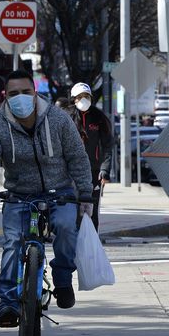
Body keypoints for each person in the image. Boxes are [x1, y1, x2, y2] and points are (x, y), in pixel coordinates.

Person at [0, 70, 94, 328]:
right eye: (13, 93)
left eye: (25, 92)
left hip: (59, 191)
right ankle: (7, 304)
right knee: (13, 243)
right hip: (19, 194)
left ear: (35, 92)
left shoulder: (58, 119)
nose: (20, 98)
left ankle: (63, 280)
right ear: (6, 96)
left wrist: (85, 195)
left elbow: (78, 157)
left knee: (65, 228)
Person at [67, 82, 114, 231]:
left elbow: (107, 145)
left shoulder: (99, 117)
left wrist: (105, 169)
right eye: (80, 97)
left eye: (86, 96)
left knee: (91, 209)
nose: (83, 99)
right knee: (70, 207)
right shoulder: (65, 116)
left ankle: (91, 241)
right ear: (74, 99)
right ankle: (71, 242)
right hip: (69, 171)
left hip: (93, 171)